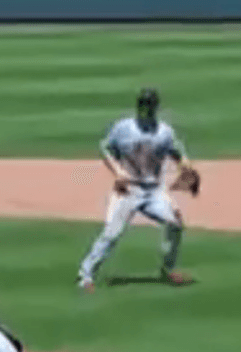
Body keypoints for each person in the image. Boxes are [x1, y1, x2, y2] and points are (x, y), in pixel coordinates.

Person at [76, 88, 200, 291]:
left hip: (153, 192)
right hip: (128, 190)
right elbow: (106, 148)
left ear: (156, 107)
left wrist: (185, 166)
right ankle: (85, 276)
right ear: (138, 107)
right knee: (112, 234)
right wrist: (117, 171)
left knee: (175, 224)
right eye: (144, 106)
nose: (147, 110)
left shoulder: (165, 132)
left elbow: (176, 153)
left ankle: (168, 269)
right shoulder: (123, 128)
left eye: (150, 106)